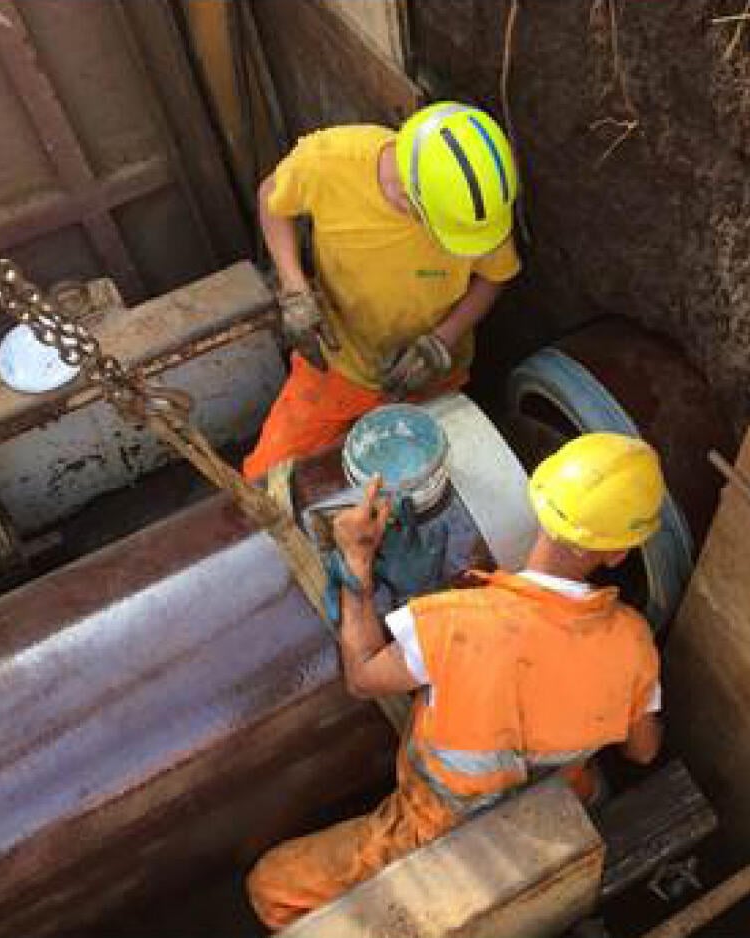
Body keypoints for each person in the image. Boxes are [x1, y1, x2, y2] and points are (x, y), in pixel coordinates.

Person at [247, 433, 667, 930]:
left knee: (270, 886)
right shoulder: (635, 642)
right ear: (619, 552)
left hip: (438, 832)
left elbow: (362, 677)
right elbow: (643, 753)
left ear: (538, 502)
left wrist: (356, 561)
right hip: (554, 811)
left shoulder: (450, 622)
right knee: (593, 788)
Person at [242, 101, 521, 480]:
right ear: (409, 199)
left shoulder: (476, 209)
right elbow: (271, 199)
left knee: (432, 491)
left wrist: (441, 341)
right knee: (267, 480)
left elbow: (495, 275)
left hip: (430, 373)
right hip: (340, 362)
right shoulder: (331, 163)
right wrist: (295, 288)